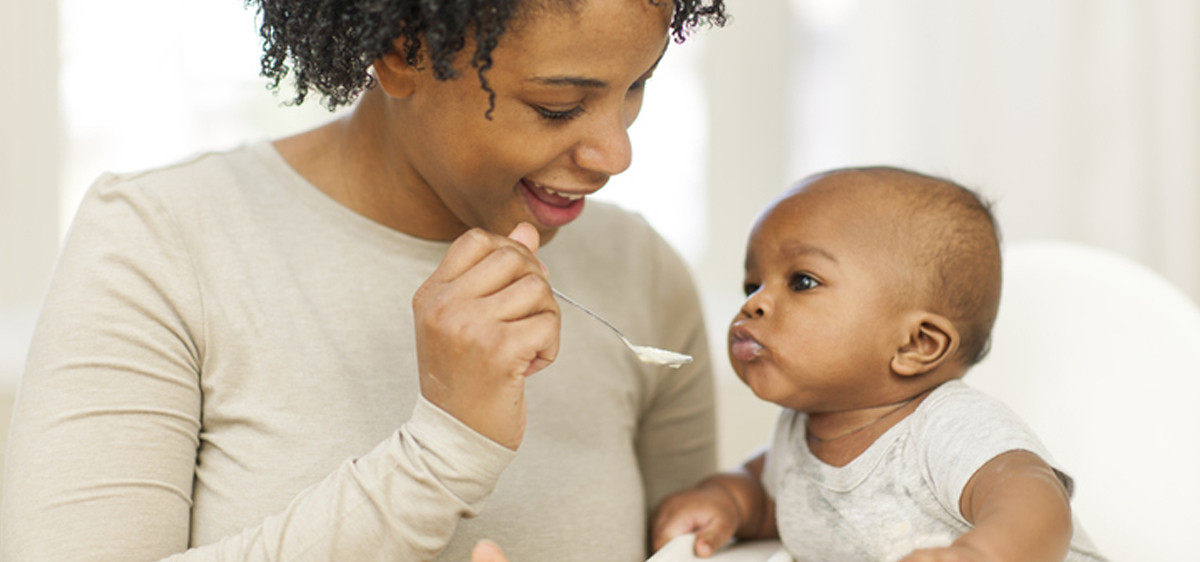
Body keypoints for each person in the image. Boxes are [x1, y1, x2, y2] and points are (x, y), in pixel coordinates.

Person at [0, 1, 727, 560]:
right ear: (403, 51)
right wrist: (444, 451)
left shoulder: (640, 270)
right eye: (558, 105)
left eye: (637, 86)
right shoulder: (159, 242)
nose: (615, 151)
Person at [651, 167, 1108, 562]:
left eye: (802, 281)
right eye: (752, 285)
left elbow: (1036, 500)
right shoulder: (798, 433)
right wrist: (727, 501)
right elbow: (779, 503)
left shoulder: (947, 427)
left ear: (916, 344)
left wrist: (983, 553)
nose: (755, 305)